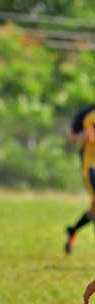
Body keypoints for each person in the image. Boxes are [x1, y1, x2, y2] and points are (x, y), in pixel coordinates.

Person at [64, 104, 95, 254]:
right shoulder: (85, 114)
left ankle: (73, 230)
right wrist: (83, 137)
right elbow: (70, 136)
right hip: (91, 166)